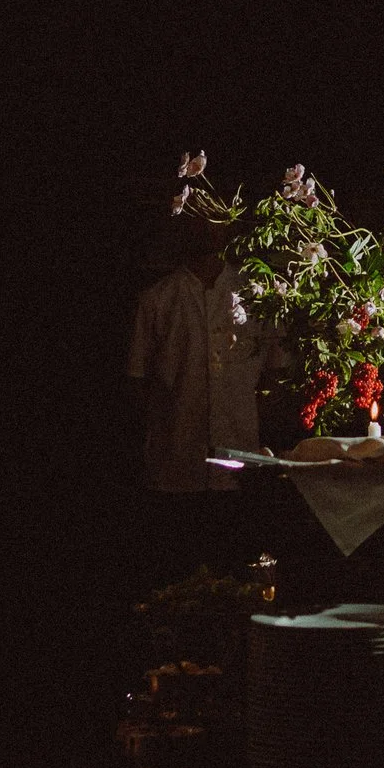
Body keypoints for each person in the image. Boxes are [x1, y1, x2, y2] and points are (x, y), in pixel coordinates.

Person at [127, 202, 267, 576]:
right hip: (177, 463)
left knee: (235, 571)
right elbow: (138, 379)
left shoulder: (253, 294)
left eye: (212, 221)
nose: (205, 229)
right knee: (180, 572)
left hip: (239, 459)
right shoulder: (158, 298)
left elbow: (274, 371)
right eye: (195, 221)